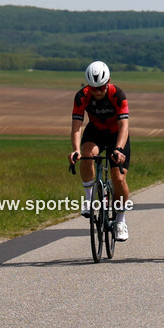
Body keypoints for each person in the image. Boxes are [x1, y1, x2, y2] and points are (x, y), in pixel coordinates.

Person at [69, 60, 131, 241]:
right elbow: (77, 126)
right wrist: (75, 150)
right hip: (95, 131)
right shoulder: (82, 96)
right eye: (94, 88)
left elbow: (124, 126)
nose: (98, 92)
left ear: (108, 82)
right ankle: (89, 200)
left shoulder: (118, 95)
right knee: (86, 155)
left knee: (118, 178)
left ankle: (120, 220)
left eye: (101, 88)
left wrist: (119, 149)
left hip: (116, 135)